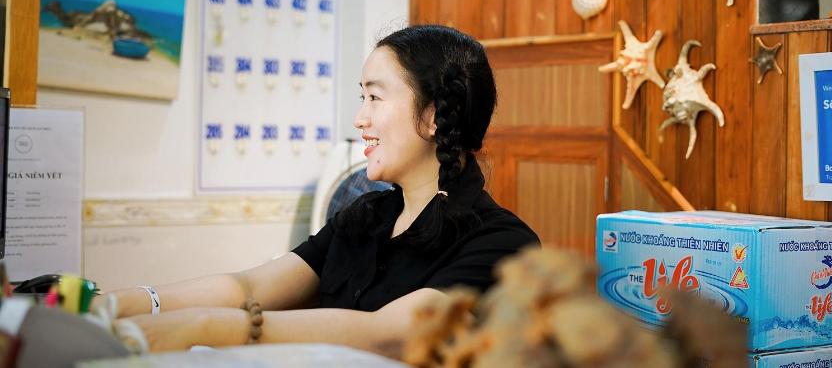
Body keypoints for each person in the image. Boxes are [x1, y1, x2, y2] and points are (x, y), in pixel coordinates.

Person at [105, 25, 540, 357]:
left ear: (432, 118)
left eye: (375, 98)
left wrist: (205, 328)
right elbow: (247, 287)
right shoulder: (366, 216)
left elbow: (386, 334)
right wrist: (118, 304)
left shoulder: (503, 244)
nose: (360, 119)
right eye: (362, 98)